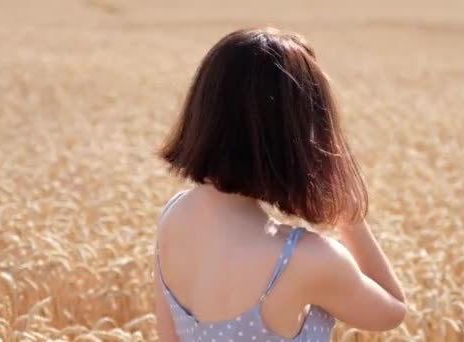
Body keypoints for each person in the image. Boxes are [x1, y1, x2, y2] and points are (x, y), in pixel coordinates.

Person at [154, 27, 406, 342]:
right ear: (298, 139)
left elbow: (168, 335)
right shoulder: (307, 258)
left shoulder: (174, 215)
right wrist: (351, 221)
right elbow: (392, 311)